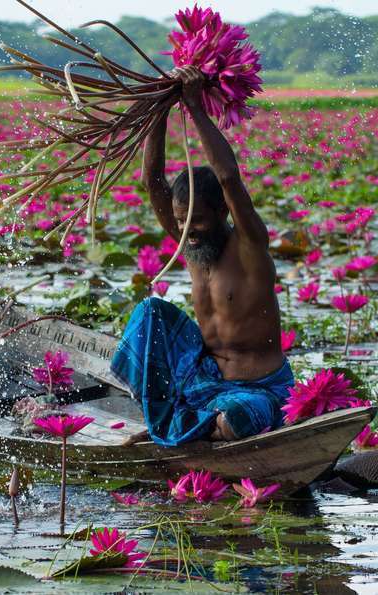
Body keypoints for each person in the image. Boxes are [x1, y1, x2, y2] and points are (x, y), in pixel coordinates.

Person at [110, 65, 293, 447]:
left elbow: (227, 177)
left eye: (199, 222)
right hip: (204, 375)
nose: (188, 232)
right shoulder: (191, 244)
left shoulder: (249, 245)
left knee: (241, 419)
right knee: (150, 313)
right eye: (182, 222)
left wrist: (194, 106)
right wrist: (158, 107)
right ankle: (175, 420)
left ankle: (185, 426)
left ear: (223, 214)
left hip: (257, 385)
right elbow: (152, 181)